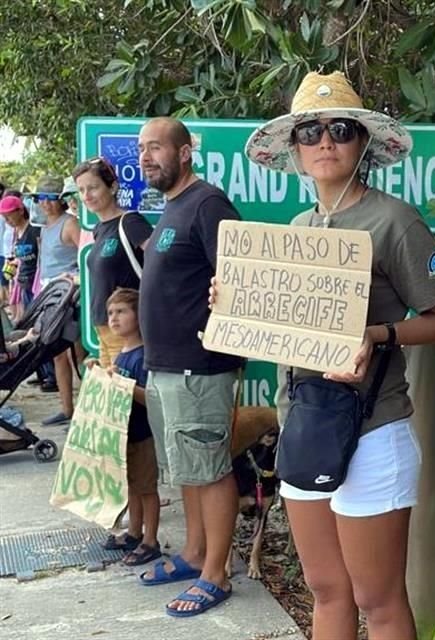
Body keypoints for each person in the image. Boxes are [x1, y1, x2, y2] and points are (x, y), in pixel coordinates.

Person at [237, 71, 435, 640]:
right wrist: (234, 301)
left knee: (377, 599)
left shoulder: (394, 220)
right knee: (326, 588)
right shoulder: (299, 227)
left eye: (340, 129)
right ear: (295, 149)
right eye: (310, 132)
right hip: (305, 422)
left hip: (373, 425)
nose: (325, 142)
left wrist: (376, 335)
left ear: (363, 143)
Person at [137, 117, 244, 618]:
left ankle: (216, 573)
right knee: (188, 468)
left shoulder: (207, 204)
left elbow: (240, 279)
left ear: (184, 153)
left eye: (156, 147)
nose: (146, 156)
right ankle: (195, 552)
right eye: (142, 148)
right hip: (166, 366)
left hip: (199, 366)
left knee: (210, 468)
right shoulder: (172, 207)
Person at [96, 287, 162, 567]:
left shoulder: (143, 355)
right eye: (111, 312)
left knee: (147, 488)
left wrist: (124, 385)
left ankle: (151, 540)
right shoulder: (122, 353)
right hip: (125, 434)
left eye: (122, 311)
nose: (114, 318)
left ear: (139, 315)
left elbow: (151, 398)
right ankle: (134, 532)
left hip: (143, 434)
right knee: (133, 486)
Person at [74, 157, 153, 368]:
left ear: (112, 187)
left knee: (128, 387)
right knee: (109, 388)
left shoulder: (130, 222)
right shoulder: (99, 229)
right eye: (81, 190)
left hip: (127, 330)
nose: (86, 195)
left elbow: (161, 262)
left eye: (93, 188)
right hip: (104, 328)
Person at [34, 175, 80, 425]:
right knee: (57, 353)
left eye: (51, 198)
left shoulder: (70, 224)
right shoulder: (44, 227)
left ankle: (87, 408)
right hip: (50, 295)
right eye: (41, 198)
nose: (46, 203)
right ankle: (67, 408)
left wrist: (73, 277)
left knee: (79, 354)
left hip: (71, 296)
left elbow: (87, 254)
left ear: (60, 199)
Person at [0, 195, 41, 324]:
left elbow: (42, 256)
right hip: (23, 283)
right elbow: (21, 257)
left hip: (35, 284)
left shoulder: (35, 230)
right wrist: (15, 263)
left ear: (21, 211)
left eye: (9, 215)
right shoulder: (16, 231)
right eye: (4, 217)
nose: (7, 220)